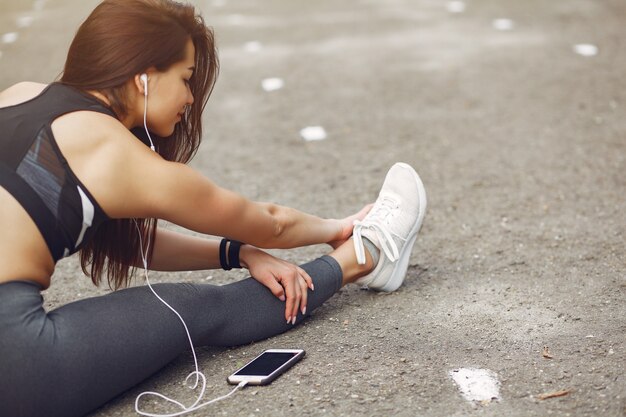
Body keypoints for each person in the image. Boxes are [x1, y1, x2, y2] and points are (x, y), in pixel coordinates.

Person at [0, 1, 427, 416]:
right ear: (144, 77)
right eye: (185, 77)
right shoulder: (112, 151)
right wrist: (340, 226)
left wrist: (237, 253)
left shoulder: (18, 96)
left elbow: (126, 244)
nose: (189, 97)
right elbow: (271, 225)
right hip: (15, 364)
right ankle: (365, 253)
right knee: (197, 309)